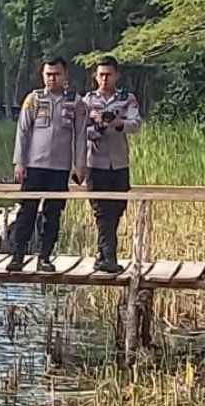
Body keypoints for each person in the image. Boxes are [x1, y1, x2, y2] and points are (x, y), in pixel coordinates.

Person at [8, 56, 87, 273]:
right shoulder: (33, 99)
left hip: (60, 168)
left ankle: (44, 256)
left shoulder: (76, 102)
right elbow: (23, 132)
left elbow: (81, 136)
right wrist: (19, 162)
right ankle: (17, 256)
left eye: (56, 74)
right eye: (48, 74)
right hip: (34, 165)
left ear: (65, 75)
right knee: (27, 211)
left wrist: (80, 165)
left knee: (53, 213)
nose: (52, 79)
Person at [83, 55, 141, 274]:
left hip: (118, 163)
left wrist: (118, 123)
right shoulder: (87, 101)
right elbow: (80, 131)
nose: (105, 79)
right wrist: (96, 127)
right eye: (101, 75)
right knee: (100, 210)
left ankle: (102, 255)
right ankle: (109, 256)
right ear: (95, 77)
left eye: (109, 75)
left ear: (116, 75)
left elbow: (135, 124)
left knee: (116, 210)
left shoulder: (127, 99)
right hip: (95, 162)